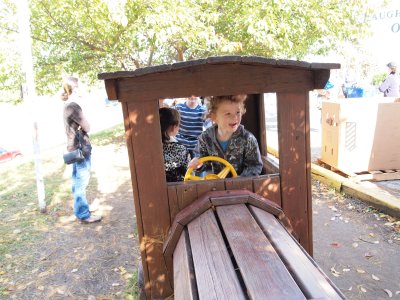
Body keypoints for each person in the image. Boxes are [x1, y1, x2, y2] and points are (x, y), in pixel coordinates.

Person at [188, 94, 263, 177]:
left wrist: (241, 179)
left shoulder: (248, 139)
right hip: (216, 184)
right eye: (228, 114)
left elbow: (255, 165)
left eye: (238, 112)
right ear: (214, 117)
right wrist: (198, 164)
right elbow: (202, 160)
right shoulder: (205, 138)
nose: (235, 117)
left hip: (240, 187)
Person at [61, 76, 101, 223]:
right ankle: (83, 214)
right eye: (79, 86)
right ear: (74, 88)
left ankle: (81, 208)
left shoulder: (68, 105)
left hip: (75, 147)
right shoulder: (73, 106)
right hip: (81, 148)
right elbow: (87, 126)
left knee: (77, 180)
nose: (81, 89)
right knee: (81, 182)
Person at [159, 107, 190, 182]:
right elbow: (188, 172)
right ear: (173, 127)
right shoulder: (180, 149)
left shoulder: (150, 146)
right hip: (176, 188)